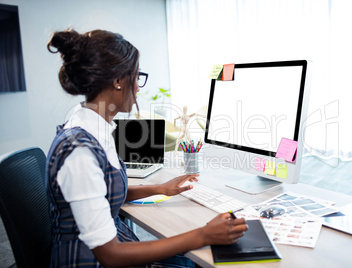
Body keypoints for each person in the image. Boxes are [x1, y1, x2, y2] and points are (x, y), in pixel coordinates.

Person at [45, 28, 248, 267]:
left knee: (197, 258)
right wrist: (203, 234)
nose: (139, 88)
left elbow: (102, 192)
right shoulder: (79, 152)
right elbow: (111, 256)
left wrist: (160, 188)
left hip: (114, 244)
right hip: (94, 261)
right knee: (201, 258)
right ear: (118, 81)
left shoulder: (92, 125)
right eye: (137, 76)